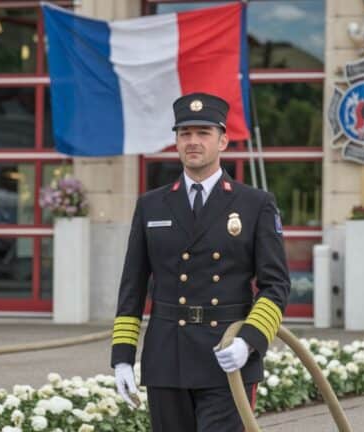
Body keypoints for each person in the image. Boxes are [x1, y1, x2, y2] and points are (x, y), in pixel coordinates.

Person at [111, 92, 291, 431]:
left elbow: (276, 285)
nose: (193, 142)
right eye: (185, 133)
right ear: (176, 141)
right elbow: (132, 288)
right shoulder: (152, 205)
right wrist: (122, 357)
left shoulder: (255, 204)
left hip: (226, 354)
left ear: (222, 140)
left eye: (203, 133)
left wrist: (248, 341)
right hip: (167, 356)